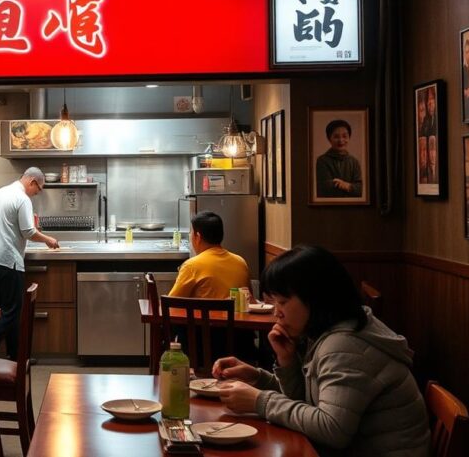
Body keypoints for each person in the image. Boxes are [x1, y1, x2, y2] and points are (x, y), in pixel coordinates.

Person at [214, 246, 430, 457]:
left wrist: (261, 401)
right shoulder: (333, 330)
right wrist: (263, 374)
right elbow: (307, 403)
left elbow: (332, 429)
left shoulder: (344, 346)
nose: (276, 313)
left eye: (282, 302)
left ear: (316, 298)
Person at [0, 168, 59, 358]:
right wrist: (48, 239)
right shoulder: (22, 199)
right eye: (38, 189)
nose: (37, 193)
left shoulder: (0, 193)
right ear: (32, 182)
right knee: (12, 312)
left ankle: (15, 357)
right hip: (8, 261)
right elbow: (28, 232)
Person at [168, 211, 250, 298]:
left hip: (203, 312)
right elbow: (249, 300)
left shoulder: (191, 266)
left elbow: (171, 304)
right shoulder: (241, 262)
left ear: (198, 237)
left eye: (191, 233)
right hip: (236, 312)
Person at [315, 120, 363, 198]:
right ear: (329, 138)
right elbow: (323, 188)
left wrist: (347, 186)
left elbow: (361, 189)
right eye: (336, 137)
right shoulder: (322, 160)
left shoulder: (354, 162)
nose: (341, 140)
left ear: (349, 138)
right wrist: (350, 187)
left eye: (344, 136)